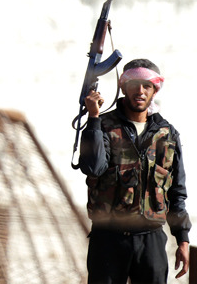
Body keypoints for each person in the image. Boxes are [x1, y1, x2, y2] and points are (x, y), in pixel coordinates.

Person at [80, 58, 191, 284]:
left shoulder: (167, 134)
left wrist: (183, 239)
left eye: (146, 86)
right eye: (133, 85)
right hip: (108, 239)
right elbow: (93, 167)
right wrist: (92, 118)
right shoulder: (102, 125)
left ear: (154, 90)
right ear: (123, 88)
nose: (140, 91)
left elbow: (177, 191)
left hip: (150, 239)